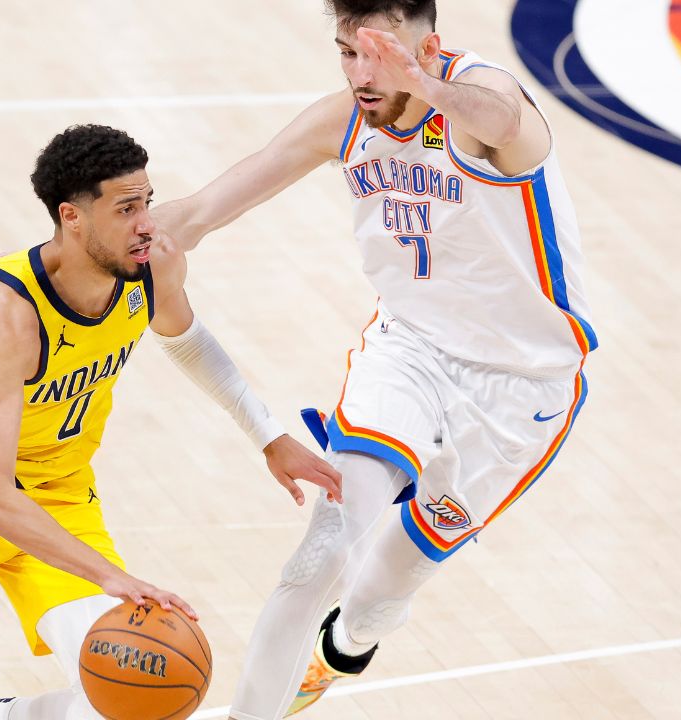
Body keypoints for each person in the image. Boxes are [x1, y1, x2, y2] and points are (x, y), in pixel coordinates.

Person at [149, 1, 598, 717]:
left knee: (378, 590)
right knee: (324, 545)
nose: (363, 74)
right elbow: (196, 214)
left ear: (431, 46)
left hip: (521, 388)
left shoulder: (486, 105)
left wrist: (423, 84)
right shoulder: (342, 121)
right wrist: (46, 264)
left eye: (379, 54)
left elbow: (502, 121)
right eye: (347, 53)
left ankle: (346, 647)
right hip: (409, 354)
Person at [0, 124, 340, 720]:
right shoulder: (8, 312)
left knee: (130, 701)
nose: (147, 223)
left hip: (60, 495)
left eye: (148, 202)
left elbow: (187, 338)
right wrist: (112, 578)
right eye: (127, 208)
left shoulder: (147, 260)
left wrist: (269, 436)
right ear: (72, 217)